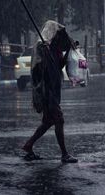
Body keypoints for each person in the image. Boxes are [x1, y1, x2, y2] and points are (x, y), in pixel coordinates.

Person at [22, 20, 78, 163]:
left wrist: (68, 52)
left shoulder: (55, 49)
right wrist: (45, 50)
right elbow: (39, 66)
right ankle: (64, 154)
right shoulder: (42, 46)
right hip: (47, 90)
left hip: (54, 88)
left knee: (48, 121)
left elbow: (59, 66)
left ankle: (28, 145)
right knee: (59, 119)